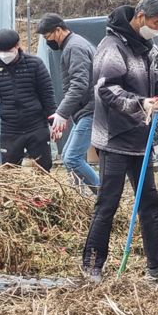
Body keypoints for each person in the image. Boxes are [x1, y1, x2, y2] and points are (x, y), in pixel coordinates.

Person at [83, 0, 158, 285]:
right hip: (115, 137)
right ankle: (92, 265)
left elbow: (156, 75)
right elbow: (106, 89)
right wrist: (141, 104)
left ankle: (157, 266)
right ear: (140, 17)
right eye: (155, 22)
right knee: (108, 203)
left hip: (141, 139)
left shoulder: (145, 46)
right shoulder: (112, 46)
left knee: (149, 202)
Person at [37, 13, 100, 193]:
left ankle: (104, 197)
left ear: (58, 30)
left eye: (47, 36)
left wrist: (62, 113)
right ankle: (79, 197)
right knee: (67, 156)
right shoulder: (74, 44)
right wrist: (64, 115)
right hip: (85, 110)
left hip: (91, 109)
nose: (47, 41)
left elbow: (79, 84)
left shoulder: (74, 47)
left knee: (72, 158)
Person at [0, 29, 57, 171]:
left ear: (17, 46)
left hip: (36, 127)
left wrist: (53, 123)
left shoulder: (35, 64)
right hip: (10, 130)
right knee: (9, 171)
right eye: (1, 51)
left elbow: (47, 96)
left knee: (44, 169)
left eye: (8, 50)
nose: (5, 55)